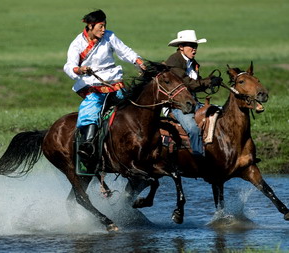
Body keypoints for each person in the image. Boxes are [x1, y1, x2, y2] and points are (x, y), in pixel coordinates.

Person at [63, 9, 145, 162]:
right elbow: (69, 66)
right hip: (91, 83)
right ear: (90, 26)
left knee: (131, 103)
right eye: (100, 26)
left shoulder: (109, 36)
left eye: (104, 25)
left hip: (114, 80)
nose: (103, 29)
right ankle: (87, 145)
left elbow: (124, 51)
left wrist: (138, 62)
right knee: (92, 107)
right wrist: (80, 69)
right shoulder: (77, 44)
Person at [164, 30, 222, 159]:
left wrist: (211, 82)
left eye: (195, 46)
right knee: (193, 129)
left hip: (191, 102)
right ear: (181, 47)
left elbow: (196, 85)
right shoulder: (174, 62)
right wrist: (208, 82)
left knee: (220, 113)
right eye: (191, 46)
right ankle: (198, 158)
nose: (194, 49)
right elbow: (188, 84)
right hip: (177, 105)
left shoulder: (192, 63)